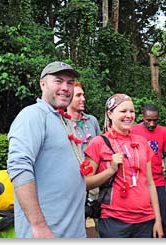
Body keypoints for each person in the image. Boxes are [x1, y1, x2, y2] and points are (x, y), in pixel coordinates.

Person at [7, 61, 86, 238]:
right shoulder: (32, 115)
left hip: (72, 231)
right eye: (58, 81)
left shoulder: (63, 119)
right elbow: (18, 167)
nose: (65, 88)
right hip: (46, 233)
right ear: (43, 84)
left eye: (70, 82)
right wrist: (38, 225)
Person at [83, 93, 164, 238]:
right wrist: (111, 170)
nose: (129, 115)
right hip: (114, 221)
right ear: (110, 114)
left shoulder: (142, 142)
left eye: (131, 111)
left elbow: (150, 183)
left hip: (145, 221)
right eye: (123, 111)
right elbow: (84, 183)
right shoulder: (98, 142)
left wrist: (158, 219)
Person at [131, 104, 166, 237]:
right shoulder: (133, 130)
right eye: (148, 120)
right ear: (142, 117)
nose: (152, 123)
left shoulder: (163, 132)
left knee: (164, 221)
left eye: (155, 120)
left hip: (157, 181)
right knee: (143, 220)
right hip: (139, 181)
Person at [66, 81, 101, 232]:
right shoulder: (62, 122)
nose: (83, 99)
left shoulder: (91, 121)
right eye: (79, 95)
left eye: (83, 95)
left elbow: (101, 147)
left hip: (96, 184)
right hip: (73, 186)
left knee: (103, 225)